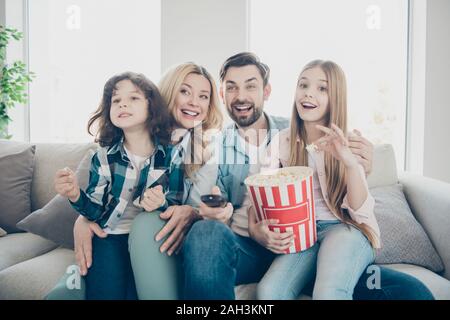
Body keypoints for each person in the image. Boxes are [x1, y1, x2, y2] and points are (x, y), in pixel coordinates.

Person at [182, 52, 434, 300]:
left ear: (266, 91)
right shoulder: (221, 144)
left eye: (251, 86)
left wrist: (356, 164)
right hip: (273, 245)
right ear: (223, 94)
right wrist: (225, 218)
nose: (241, 96)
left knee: (409, 291)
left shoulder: (321, 137)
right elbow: (248, 200)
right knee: (251, 273)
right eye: (232, 88)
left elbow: (359, 208)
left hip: (328, 238)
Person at [251, 60, 379, 300]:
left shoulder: (348, 142)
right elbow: (261, 193)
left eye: (322, 88)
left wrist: (349, 162)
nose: (308, 92)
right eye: (303, 85)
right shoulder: (281, 142)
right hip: (303, 234)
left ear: (335, 98)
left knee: (328, 292)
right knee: (268, 292)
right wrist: (259, 228)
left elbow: (361, 212)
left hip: (345, 228)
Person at [54, 72, 173, 299]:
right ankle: (71, 284)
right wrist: (75, 194)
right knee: (105, 292)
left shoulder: (170, 154)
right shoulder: (103, 157)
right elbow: (95, 211)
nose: (123, 104)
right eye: (116, 100)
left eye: (133, 98)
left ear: (152, 107)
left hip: (149, 239)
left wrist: (162, 202)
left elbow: (176, 200)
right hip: (108, 235)